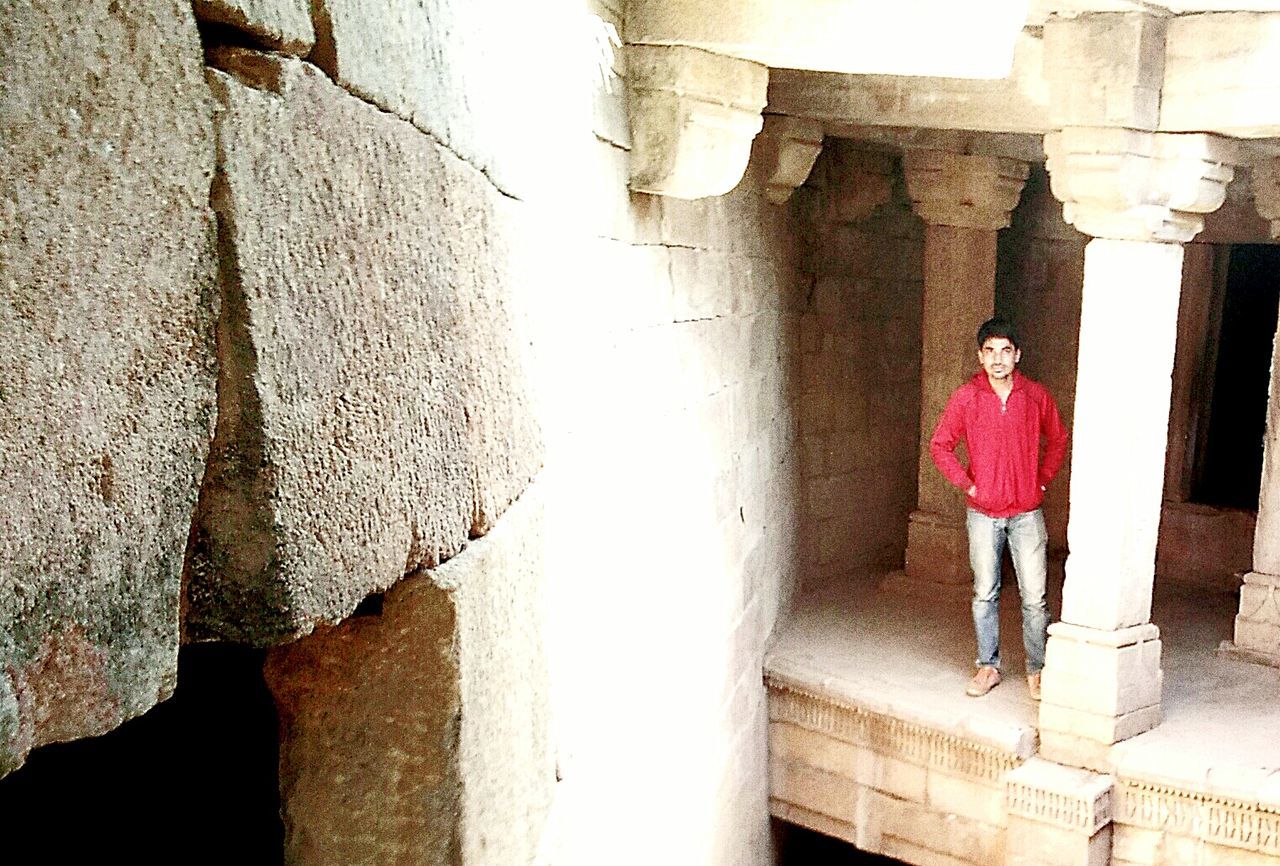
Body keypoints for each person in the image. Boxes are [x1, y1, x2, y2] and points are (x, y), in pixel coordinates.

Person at [929, 317, 1069, 701]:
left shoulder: (1035, 396)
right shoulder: (967, 397)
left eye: (1005, 350)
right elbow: (940, 445)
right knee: (985, 592)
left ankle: (1037, 669)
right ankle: (987, 666)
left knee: (1035, 596)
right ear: (980, 355)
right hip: (983, 511)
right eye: (989, 351)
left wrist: (1041, 480)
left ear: (1017, 355)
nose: (997, 359)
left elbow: (1058, 439)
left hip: (1026, 511)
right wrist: (969, 483)